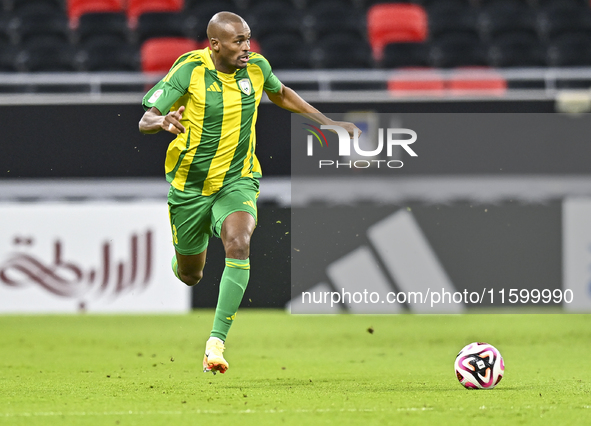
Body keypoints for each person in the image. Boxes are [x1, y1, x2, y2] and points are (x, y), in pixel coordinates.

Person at [138, 11, 359, 375]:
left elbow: (281, 93)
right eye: (238, 41)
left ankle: (215, 343)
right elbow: (146, 116)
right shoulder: (188, 70)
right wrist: (161, 121)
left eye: (248, 38)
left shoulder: (256, 67)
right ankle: (186, 255)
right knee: (191, 275)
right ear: (214, 44)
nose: (246, 46)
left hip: (237, 180)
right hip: (190, 188)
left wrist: (329, 124)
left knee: (239, 243)